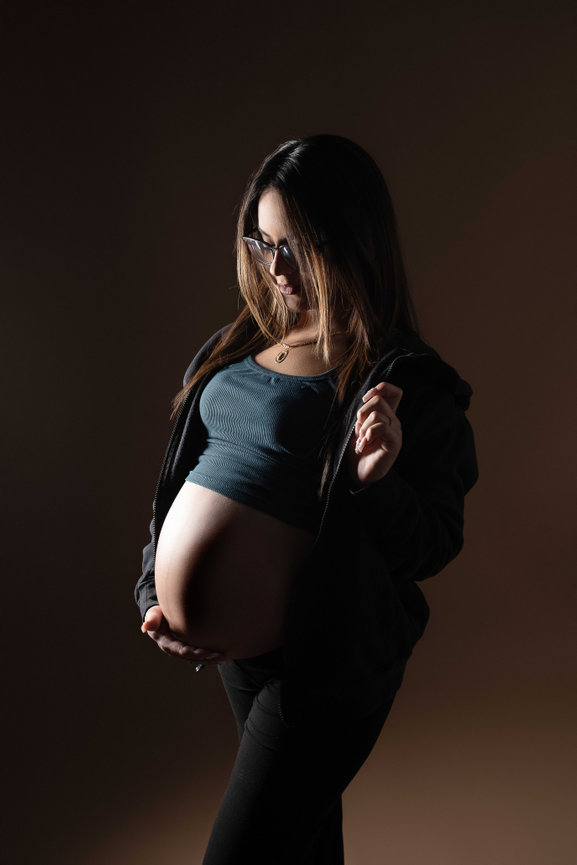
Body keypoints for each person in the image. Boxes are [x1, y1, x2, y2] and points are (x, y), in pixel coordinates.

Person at [135, 134, 478, 864]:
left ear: (349, 239)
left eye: (295, 244)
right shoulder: (226, 351)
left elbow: (434, 542)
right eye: (262, 242)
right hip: (242, 657)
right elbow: (177, 490)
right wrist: (153, 596)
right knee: (303, 845)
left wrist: (377, 481)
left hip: (328, 660)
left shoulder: (404, 384)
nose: (275, 266)